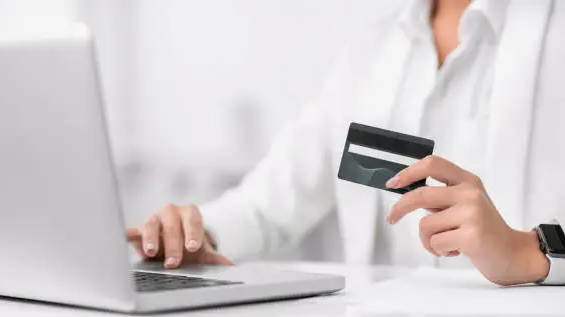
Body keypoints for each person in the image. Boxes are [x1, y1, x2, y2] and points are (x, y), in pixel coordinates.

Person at [126, 0, 565, 286]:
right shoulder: (370, 54)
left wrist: (533, 253)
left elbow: (530, 255)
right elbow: (267, 208)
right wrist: (198, 236)